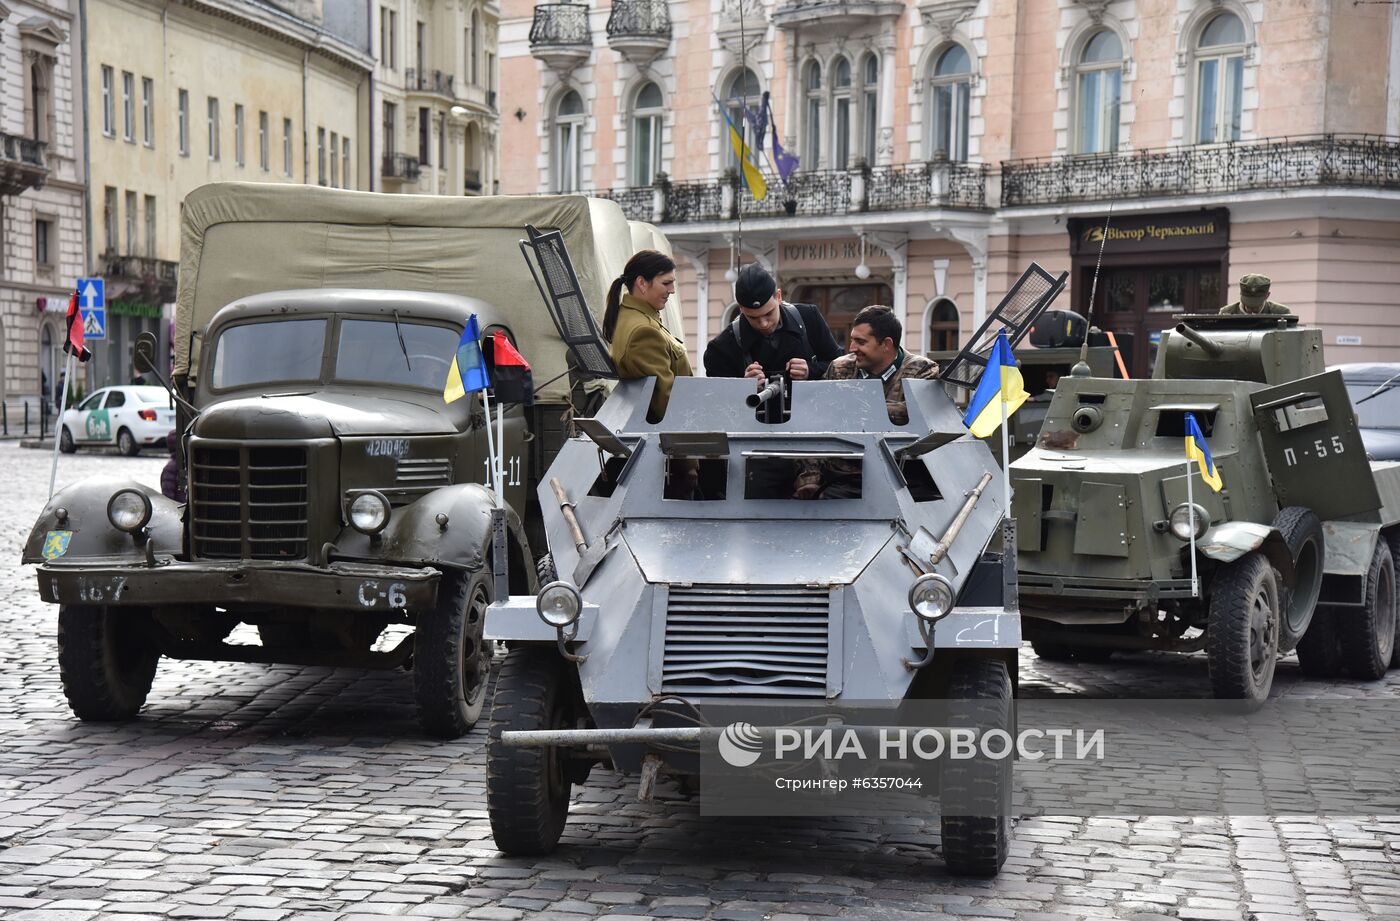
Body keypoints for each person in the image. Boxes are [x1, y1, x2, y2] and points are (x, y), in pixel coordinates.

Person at [795, 305, 939, 499]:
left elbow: (919, 416)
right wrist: (810, 478)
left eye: (860, 342)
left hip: (902, 476)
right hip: (843, 476)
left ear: (886, 344)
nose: (852, 348)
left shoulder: (922, 371)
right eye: (852, 339)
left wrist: (852, 407)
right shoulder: (839, 369)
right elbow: (816, 425)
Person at [703, 263, 843, 384]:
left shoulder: (809, 318)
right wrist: (743, 387)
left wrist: (811, 370)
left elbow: (842, 365)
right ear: (740, 308)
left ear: (779, 296)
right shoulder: (722, 348)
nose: (763, 324)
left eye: (768, 313)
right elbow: (719, 399)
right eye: (753, 318)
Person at [604, 249, 691, 423]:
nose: (672, 290)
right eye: (666, 283)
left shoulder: (629, 315)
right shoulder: (643, 331)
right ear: (642, 283)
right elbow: (665, 403)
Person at [1219, 274, 1290, 315]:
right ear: (1240, 294)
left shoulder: (1281, 313)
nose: (1252, 309)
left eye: (1256, 306)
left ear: (1267, 295)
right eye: (1248, 305)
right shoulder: (1227, 313)